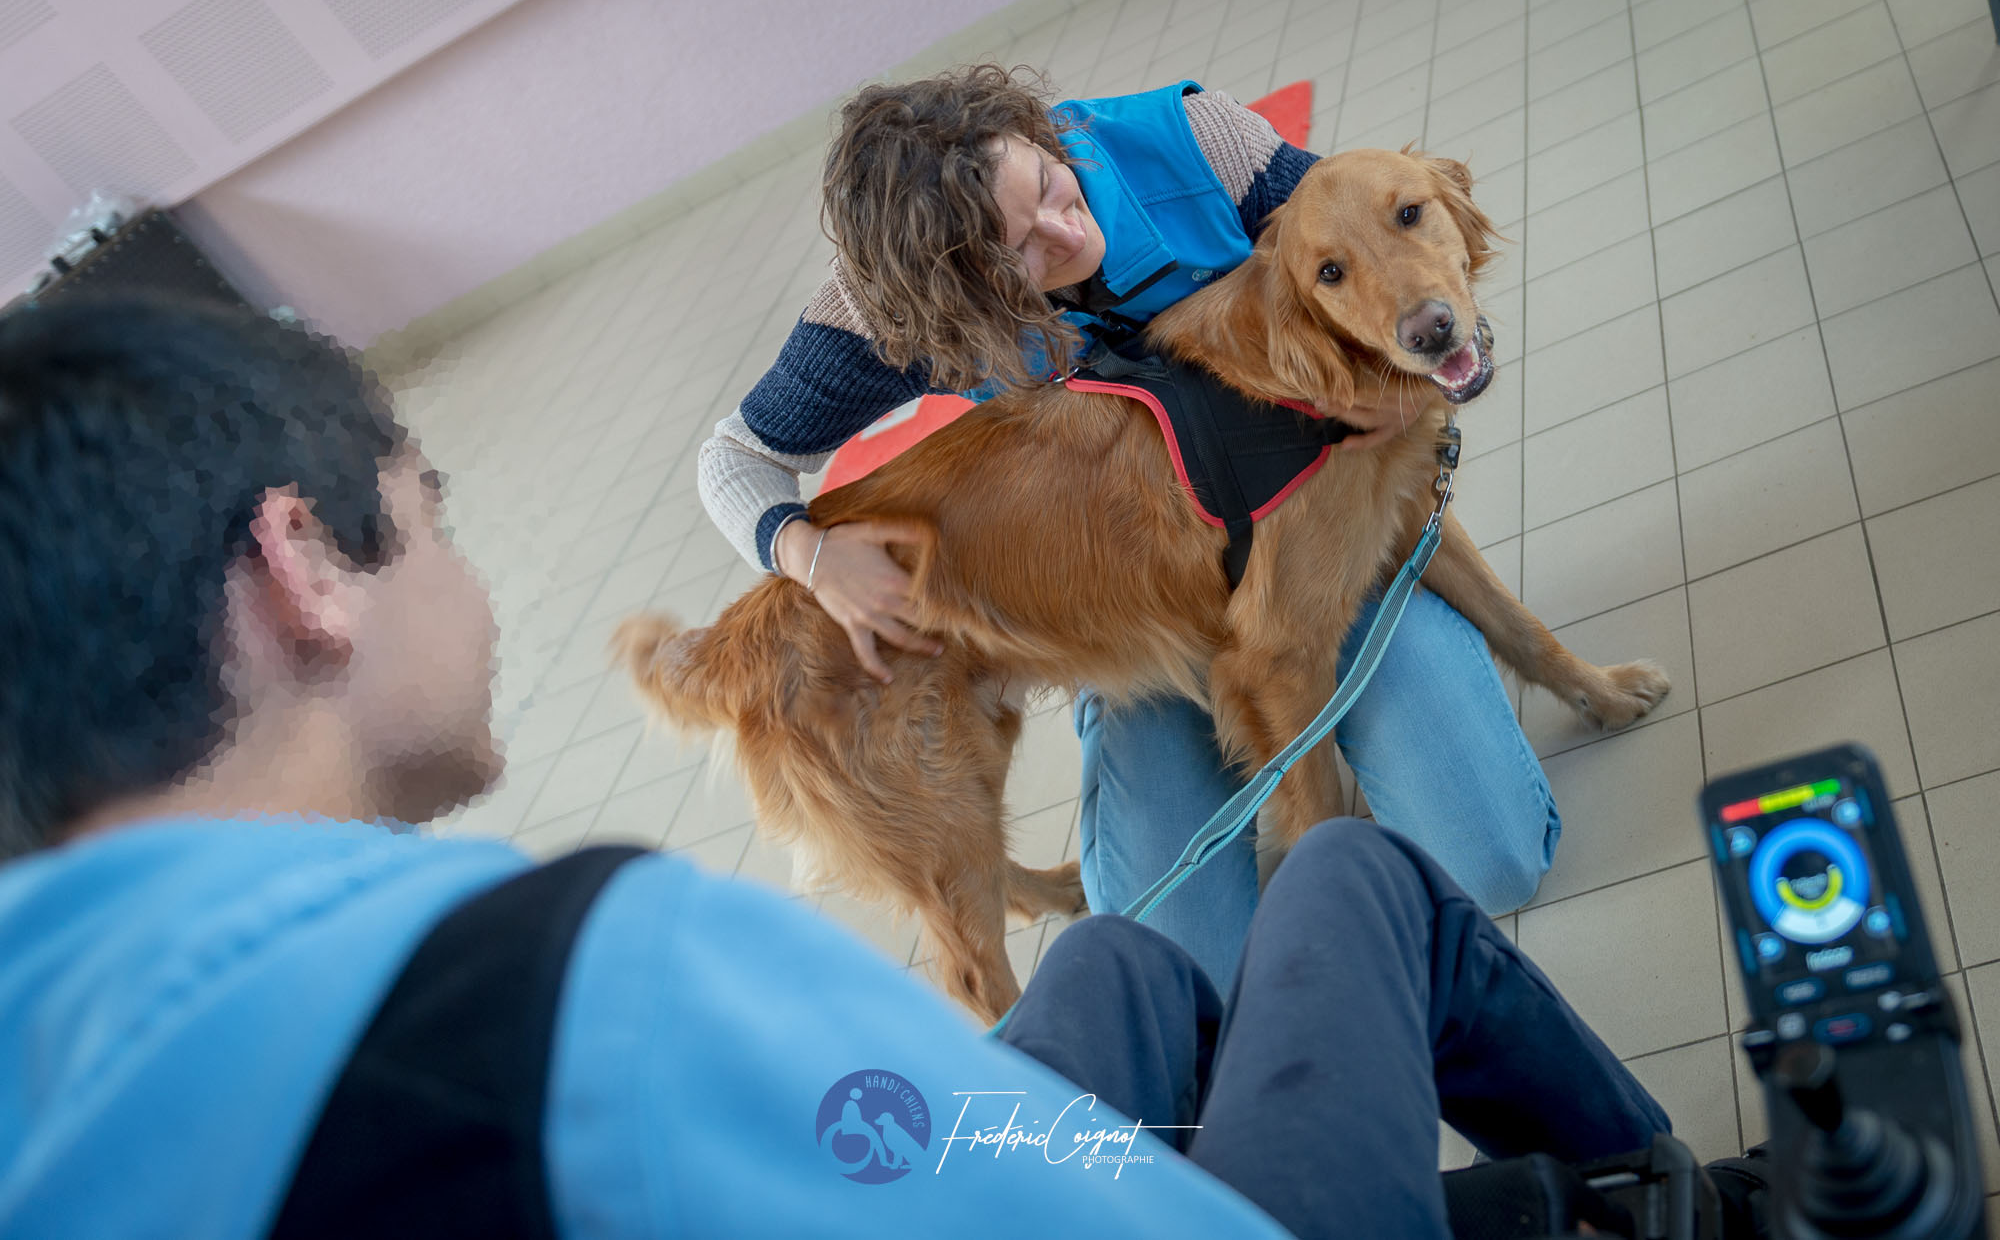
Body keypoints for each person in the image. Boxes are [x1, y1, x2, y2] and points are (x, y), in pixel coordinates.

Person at [0, 297, 1694, 1240]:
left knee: (1108, 954)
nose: (472, 581)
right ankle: (1685, 1203)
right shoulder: (585, 990)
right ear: (304, 564)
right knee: (1343, 875)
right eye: (434, 514)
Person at [696, 65, 1559, 985]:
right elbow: (734, 458)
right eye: (1016, 254)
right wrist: (812, 553)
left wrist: (1410, 379)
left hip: (1320, 555)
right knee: (1184, 968)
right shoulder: (889, 308)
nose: (1065, 233)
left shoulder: (1195, 144)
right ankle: (1282, 769)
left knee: (1495, 859)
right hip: (1144, 618)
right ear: (950, 293)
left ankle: (1344, 745)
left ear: (1036, 134)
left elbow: (1378, 242)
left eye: (1048, 190)